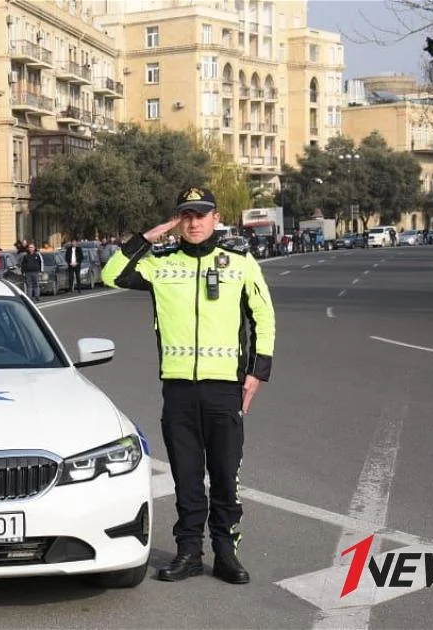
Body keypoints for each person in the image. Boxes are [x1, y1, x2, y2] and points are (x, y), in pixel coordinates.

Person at [101, 187, 276, 586]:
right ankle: (189, 552)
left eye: (201, 215)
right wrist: (151, 235)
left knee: (225, 472)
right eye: (186, 215)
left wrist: (257, 372)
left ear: (216, 217)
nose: (194, 223)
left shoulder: (239, 262)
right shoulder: (161, 264)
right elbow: (110, 274)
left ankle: (226, 550)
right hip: (178, 389)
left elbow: (263, 316)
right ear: (178, 220)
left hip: (223, 387)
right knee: (186, 475)